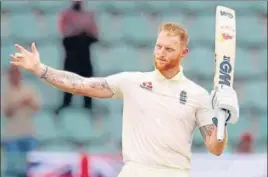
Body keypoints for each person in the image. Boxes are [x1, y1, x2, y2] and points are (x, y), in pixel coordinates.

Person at [9, 23, 239, 177]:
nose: (160, 53)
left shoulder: (197, 95)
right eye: (158, 46)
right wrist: (41, 69)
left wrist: (223, 119)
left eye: (169, 49)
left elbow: (215, 147)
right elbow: (80, 85)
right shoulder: (132, 81)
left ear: (183, 53)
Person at [55, 0, 99, 115]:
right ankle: (66, 103)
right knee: (68, 79)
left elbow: (95, 34)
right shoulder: (66, 15)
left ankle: (88, 105)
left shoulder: (89, 15)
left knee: (87, 80)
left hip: (84, 55)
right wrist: (78, 29)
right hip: (72, 54)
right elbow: (64, 32)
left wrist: (84, 30)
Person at [1, 66, 40, 177]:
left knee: (32, 169)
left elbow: (37, 107)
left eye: (17, 73)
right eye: (13, 73)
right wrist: (21, 102)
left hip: (29, 133)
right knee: (13, 169)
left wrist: (27, 102)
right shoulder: (5, 92)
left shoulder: (29, 88)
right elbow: (7, 112)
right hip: (12, 136)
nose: (15, 76)